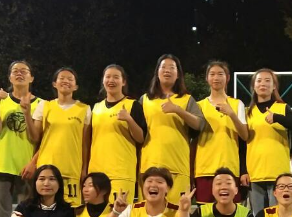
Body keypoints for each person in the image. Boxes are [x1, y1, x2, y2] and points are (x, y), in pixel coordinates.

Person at [0, 60, 40, 217]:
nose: (19, 73)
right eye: (15, 71)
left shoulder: (42, 104)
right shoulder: (1, 101)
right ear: (9, 77)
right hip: (0, 164)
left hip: (27, 168)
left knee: (28, 216)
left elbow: (40, 139)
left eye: (24, 71)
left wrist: (34, 162)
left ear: (31, 77)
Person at [140, 54, 205, 203]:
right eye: (163, 67)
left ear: (178, 74)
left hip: (178, 166)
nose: (167, 70)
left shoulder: (186, 99)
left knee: (177, 213)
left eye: (172, 67)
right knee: (149, 213)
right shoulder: (145, 100)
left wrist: (178, 110)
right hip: (149, 166)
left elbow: (200, 124)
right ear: (157, 72)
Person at [243, 69, 292, 213]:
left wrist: (277, 118)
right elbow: (242, 143)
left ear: (274, 86)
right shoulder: (247, 112)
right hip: (254, 173)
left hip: (278, 173)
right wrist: (243, 171)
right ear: (254, 86)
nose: (262, 84)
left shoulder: (282, 108)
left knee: (277, 216)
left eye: (267, 80)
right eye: (259, 81)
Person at [28, 67, 91, 207]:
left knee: (71, 212)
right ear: (54, 84)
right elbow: (36, 137)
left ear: (76, 86)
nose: (65, 81)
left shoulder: (84, 109)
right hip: (47, 169)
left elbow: (85, 143)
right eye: (61, 78)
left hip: (71, 169)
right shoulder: (44, 106)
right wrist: (27, 113)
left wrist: (84, 170)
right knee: (45, 209)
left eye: (70, 79)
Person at [87, 64, 146, 201]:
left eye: (116, 77)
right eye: (107, 77)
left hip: (121, 172)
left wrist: (129, 119)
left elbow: (141, 138)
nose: (111, 80)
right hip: (96, 171)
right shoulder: (96, 108)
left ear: (123, 82)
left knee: (120, 213)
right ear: (103, 80)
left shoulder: (132, 105)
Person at [194, 61, 248, 203]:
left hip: (230, 168)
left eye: (220, 74)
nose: (216, 78)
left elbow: (245, 135)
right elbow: (193, 141)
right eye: (212, 74)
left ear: (227, 77)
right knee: (205, 214)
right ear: (207, 78)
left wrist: (231, 114)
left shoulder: (237, 104)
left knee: (230, 213)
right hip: (204, 168)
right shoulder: (199, 106)